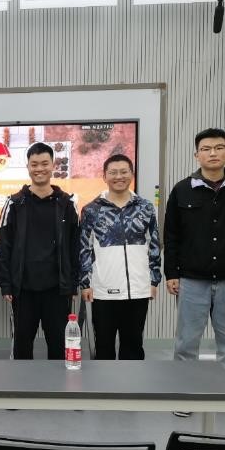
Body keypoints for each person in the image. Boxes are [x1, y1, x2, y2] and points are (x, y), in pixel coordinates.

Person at [164, 128, 225, 418]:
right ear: (197, 155)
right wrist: (171, 273)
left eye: (219, 148)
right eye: (206, 149)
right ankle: (185, 396)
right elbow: (171, 236)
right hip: (192, 279)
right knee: (186, 343)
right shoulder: (182, 190)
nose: (213, 153)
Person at [0, 142, 79, 360]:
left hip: (57, 289)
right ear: (28, 167)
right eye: (34, 164)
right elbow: (5, 247)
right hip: (23, 289)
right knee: (22, 347)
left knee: (59, 347)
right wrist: (6, 284)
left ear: (53, 165)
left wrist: (72, 283)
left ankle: (59, 383)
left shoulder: (67, 204)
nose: (39, 169)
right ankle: (23, 383)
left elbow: (75, 247)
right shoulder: (13, 203)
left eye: (44, 163)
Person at [78, 154, 161, 360]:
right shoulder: (91, 210)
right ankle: (104, 382)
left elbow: (154, 244)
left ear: (131, 174)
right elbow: (84, 248)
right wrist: (85, 283)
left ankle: (132, 382)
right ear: (104, 176)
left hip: (138, 289)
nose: (119, 177)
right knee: (104, 346)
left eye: (124, 172)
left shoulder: (145, 207)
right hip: (103, 291)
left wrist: (154, 280)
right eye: (113, 172)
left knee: (133, 346)